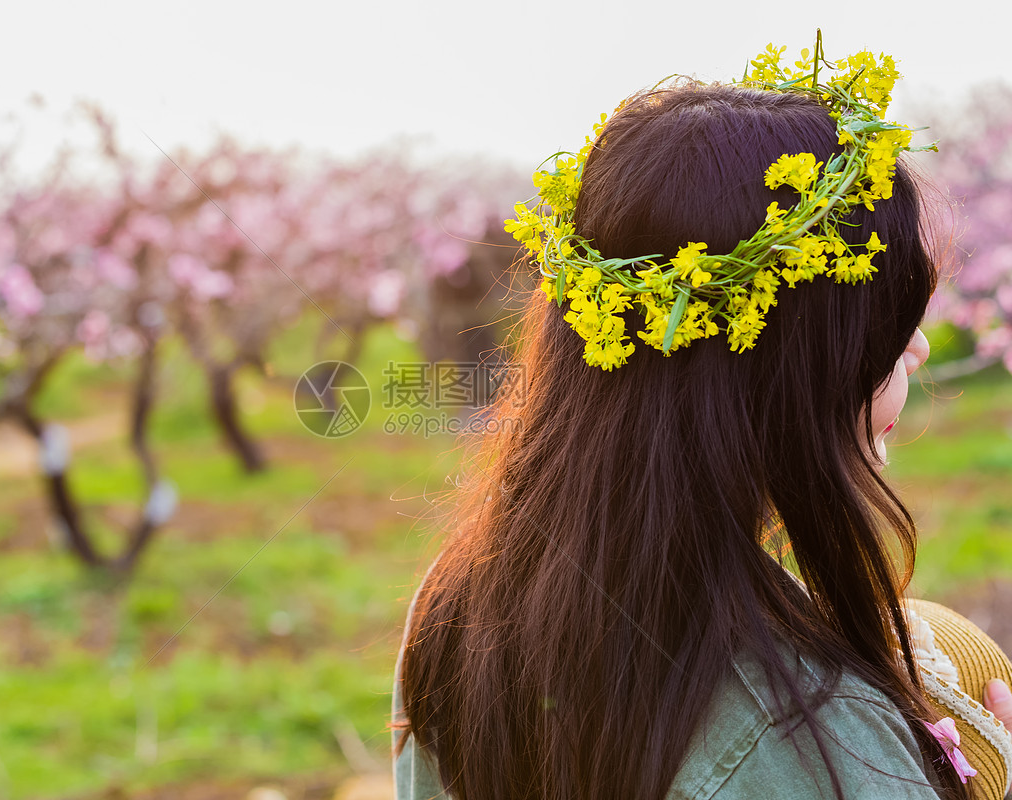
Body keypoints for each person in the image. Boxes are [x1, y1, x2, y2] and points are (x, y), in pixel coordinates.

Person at [391, 43, 1012, 800]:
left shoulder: (464, 600)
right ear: (787, 369)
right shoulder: (814, 735)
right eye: (885, 326)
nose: (915, 347)